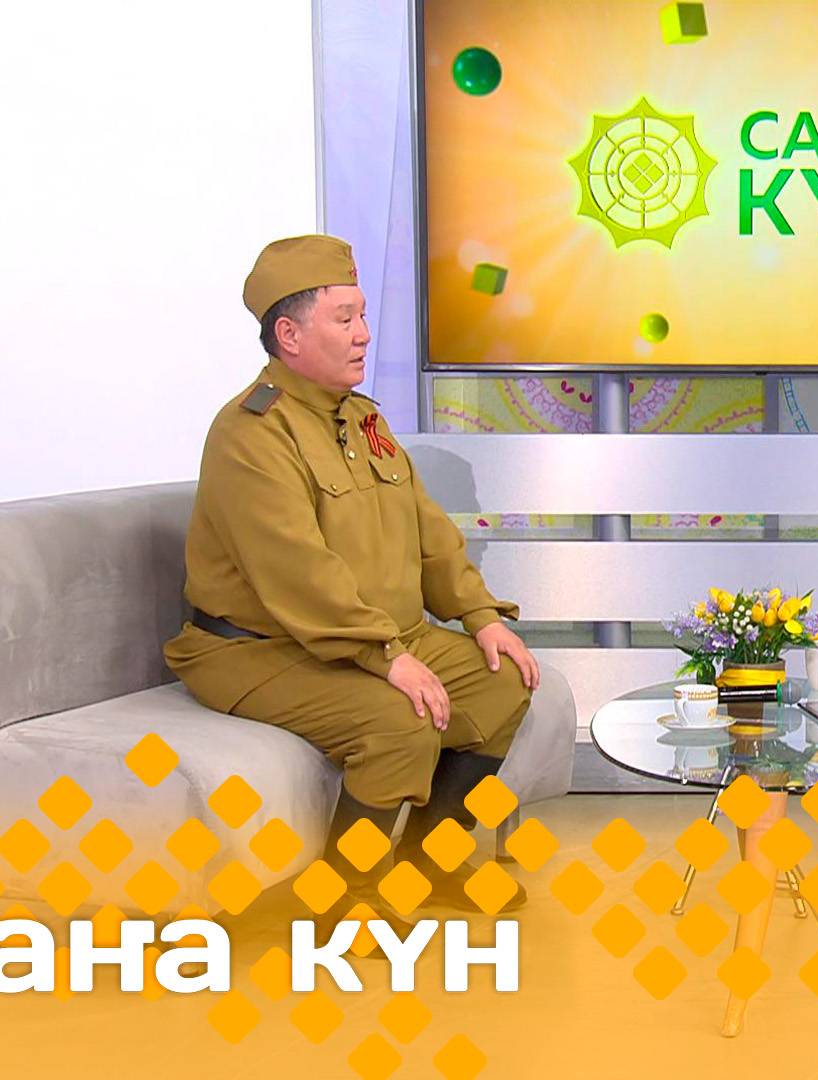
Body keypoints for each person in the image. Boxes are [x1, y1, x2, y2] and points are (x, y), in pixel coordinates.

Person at [164, 235, 540, 929]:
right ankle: (343, 899)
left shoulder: (362, 419)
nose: (364, 334)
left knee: (502, 681)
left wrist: (480, 615)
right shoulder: (252, 433)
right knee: (399, 721)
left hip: (368, 638)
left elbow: (428, 529)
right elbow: (297, 571)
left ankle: (429, 862)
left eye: (363, 315)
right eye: (344, 318)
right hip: (260, 651)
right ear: (289, 334)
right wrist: (386, 656)